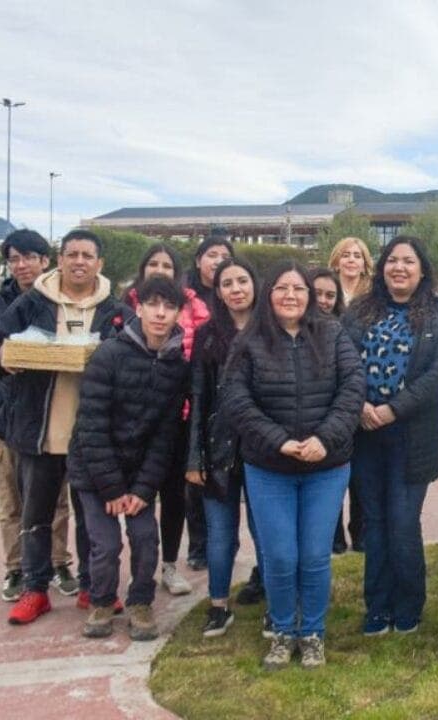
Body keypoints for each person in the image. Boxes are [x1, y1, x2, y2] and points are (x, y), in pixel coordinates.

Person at [222, 261, 364, 670]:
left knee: (315, 556)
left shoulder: (333, 334)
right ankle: (283, 631)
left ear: (309, 294)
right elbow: (236, 400)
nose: (291, 296)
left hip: (326, 466)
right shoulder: (249, 341)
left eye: (298, 289)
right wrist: (280, 441)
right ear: (269, 294)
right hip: (269, 469)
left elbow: (353, 389)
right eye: (282, 288)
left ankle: (313, 633)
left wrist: (324, 438)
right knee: (281, 556)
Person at [0, 229, 130, 625]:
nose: (79, 261)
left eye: (87, 255)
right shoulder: (32, 304)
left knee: (91, 518)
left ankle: (91, 587)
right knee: (36, 515)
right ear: (60, 259)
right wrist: (1, 355)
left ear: (99, 264)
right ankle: (35, 589)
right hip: (39, 431)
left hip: (91, 438)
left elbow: (133, 359)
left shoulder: (114, 310)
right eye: (72, 254)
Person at [345, 237, 438, 636]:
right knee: (374, 522)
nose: (399, 268)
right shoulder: (359, 312)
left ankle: (409, 605)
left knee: (403, 521)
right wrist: (360, 406)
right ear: (382, 268)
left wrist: (394, 409)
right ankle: (377, 606)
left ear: (422, 270)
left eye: (408, 261)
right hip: (365, 434)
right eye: (392, 260)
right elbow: (344, 363)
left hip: (412, 436)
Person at [68, 276, 190, 641]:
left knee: (146, 539)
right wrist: (111, 489)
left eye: (169, 307)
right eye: (153, 304)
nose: (160, 313)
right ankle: (102, 601)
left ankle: (140, 602)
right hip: (95, 473)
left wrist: (141, 488)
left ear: (178, 313)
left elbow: (164, 436)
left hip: (139, 476)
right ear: (138, 307)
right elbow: (90, 427)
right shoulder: (109, 354)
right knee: (104, 545)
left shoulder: (175, 367)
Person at [0, 230, 78, 601]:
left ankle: (58, 560)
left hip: (44, 415)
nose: (21, 265)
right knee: (11, 497)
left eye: (29, 257)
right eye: (14, 258)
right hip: (4, 416)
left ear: (46, 261)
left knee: (54, 496)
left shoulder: (54, 303)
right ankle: (16, 567)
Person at [122, 243, 211, 597]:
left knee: (174, 496)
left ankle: (170, 565)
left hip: (177, 413)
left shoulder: (196, 308)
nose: (160, 270)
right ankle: (135, 568)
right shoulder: (123, 307)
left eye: (167, 265)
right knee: (132, 495)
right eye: (153, 263)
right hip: (132, 417)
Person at [185, 257, 265, 637]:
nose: (236, 289)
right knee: (220, 532)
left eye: (242, 281)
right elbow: (198, 398)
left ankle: (271, 591)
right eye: (227, 283)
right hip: (218, 447)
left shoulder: (270, 328)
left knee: (264, 527)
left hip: (262, 445)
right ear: (217, 291)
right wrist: (194, 456)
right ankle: (218, 605)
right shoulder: (207, 334)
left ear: (254, 284)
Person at [181, 236, 234, 572]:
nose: (217, 261)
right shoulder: (183, 294)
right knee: (193, 476)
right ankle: (198, 545)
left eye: (224, 256)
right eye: (211, 255)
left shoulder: (232, 297)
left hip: (222, 396)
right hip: (187, 390)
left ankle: (218, 546)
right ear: (199, 259)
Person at [311, 267, 364, 555]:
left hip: (339, 423)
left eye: (330, 295)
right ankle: (334, 538)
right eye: (317, 293)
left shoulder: (343, 330)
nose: (323, 300)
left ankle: (355, 534)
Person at [328, 236, 374, 306]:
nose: (351, 260)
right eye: (345, 256)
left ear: (364, 266)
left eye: (357, 256)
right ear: (336, 263)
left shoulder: (373, 295)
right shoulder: (327, 292)